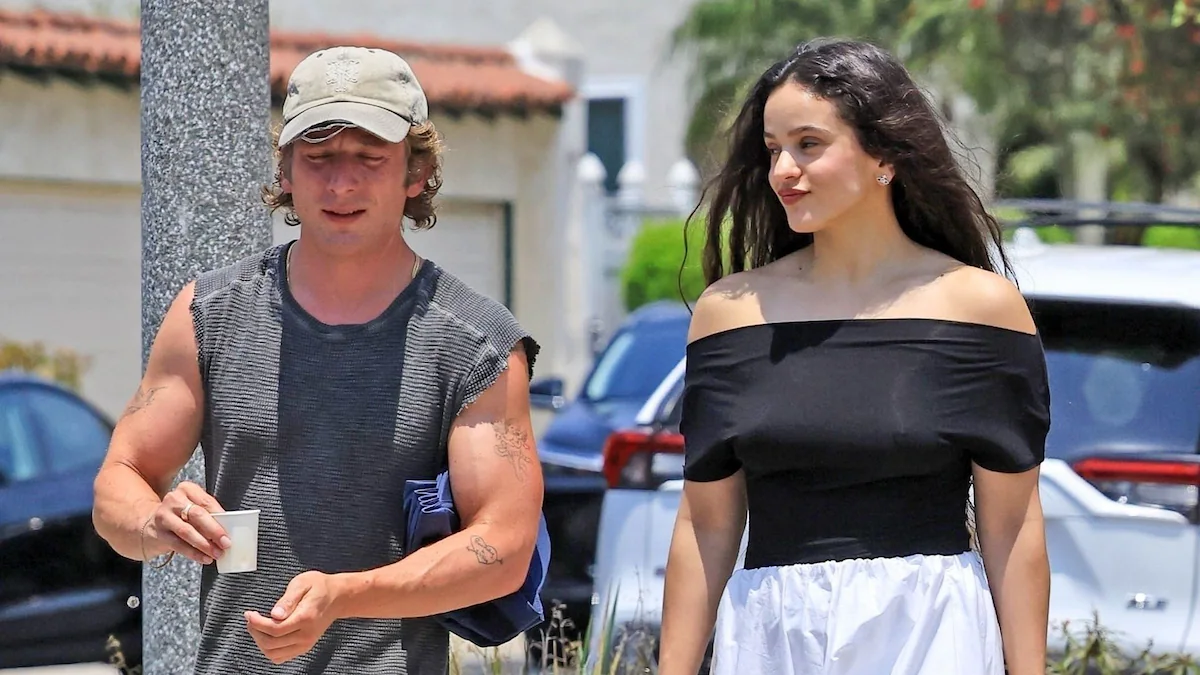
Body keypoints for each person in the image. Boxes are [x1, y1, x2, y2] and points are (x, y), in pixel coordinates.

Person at [92, 45, 544, 674]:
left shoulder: (477, 343)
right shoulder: (208, 313)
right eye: (319, 157)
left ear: (415, 172)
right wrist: (152, 520)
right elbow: (117, 483)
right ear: (285, 170)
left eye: (369, 157)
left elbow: (505, 547)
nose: (341, 183)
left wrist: (345, 596)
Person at [657, 38, 1051, 675]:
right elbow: (704, 525)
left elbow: (1013, 526)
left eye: (809, 144)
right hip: (773, 638)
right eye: (773, 150)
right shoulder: (729, 312)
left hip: (929, 632)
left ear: (885, 155)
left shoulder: (980, 308)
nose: (783, 170)